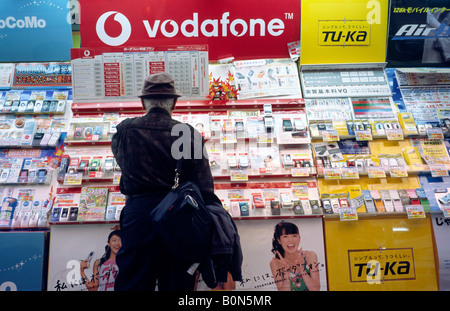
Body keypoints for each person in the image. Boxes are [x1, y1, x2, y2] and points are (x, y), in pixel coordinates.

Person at [111, 72, 215, 291]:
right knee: (178, 282)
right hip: (179, 216)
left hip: (138, 215)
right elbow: (204, 186)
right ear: (174, 103)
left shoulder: (124, 131)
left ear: (143, 101)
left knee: (133, 281)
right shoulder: (188, 133)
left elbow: (124, 163)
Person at [270, 221, 320, 291]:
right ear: (279, 241)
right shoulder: (276, 263)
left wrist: (302, 270)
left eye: (294, 236)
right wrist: (286, 272)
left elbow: (316, 289)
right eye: (285, 237)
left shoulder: (310, 256)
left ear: (299, 238)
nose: (291, 240)